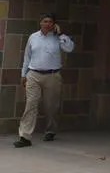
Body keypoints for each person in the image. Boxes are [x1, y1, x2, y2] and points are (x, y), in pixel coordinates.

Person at [14, 12, 74, 148]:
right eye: (45, 21)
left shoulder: (58, 38)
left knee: (51, 106)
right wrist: (23, 74)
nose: (47, 24)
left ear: (54, 24)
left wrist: (61, 34)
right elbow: (27, 57)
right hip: (33, 74)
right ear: (40, 23)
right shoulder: (33, 37)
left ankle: (50, 130)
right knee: (31, 104)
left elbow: (69, 48)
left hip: (52, 75)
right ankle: (25, 136)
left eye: (50, 22)